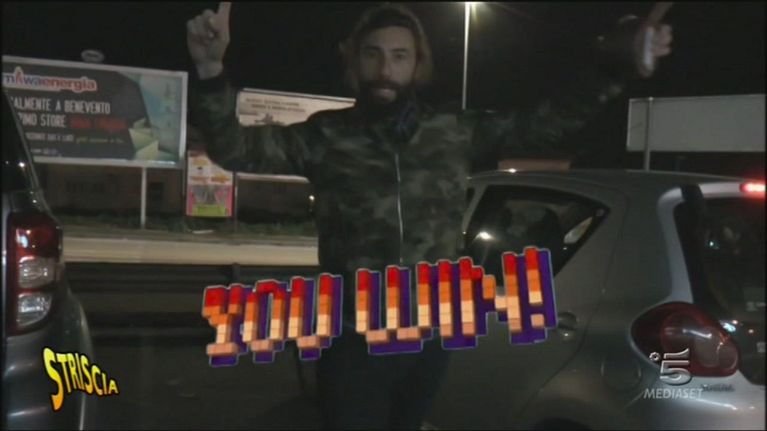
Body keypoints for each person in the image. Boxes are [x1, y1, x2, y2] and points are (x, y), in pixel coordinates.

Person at [186, 3, 673, 429]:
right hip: (354, 336)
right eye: (373, 54)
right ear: (354, 61)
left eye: (399, 56)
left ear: (417, 64)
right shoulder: (325, 136)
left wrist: (615, 68)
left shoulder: (451, 131)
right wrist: (210, 70)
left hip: (431, 334)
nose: (385, 69)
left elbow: (544, 125)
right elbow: (236, 148)